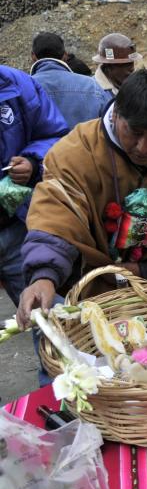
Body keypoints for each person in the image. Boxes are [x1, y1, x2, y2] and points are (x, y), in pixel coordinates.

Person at [17, 70, 147, 328]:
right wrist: (43, 277)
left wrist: (144, 271)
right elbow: (55, 218)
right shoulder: (75, 153)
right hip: (90, 295)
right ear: (115, 115)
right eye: (134, 132)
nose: (143, 147)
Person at [0, 65, 68, 309]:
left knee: (46, 315)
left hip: (18, 228)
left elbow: (57, 136)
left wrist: (32, 162)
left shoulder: (17, 84)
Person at [29, 32, 111, 128]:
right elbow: (109, 126)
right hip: (83, 143)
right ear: (65, 55)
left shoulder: (22, 89)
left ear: (33, 56)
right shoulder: (92, 86)